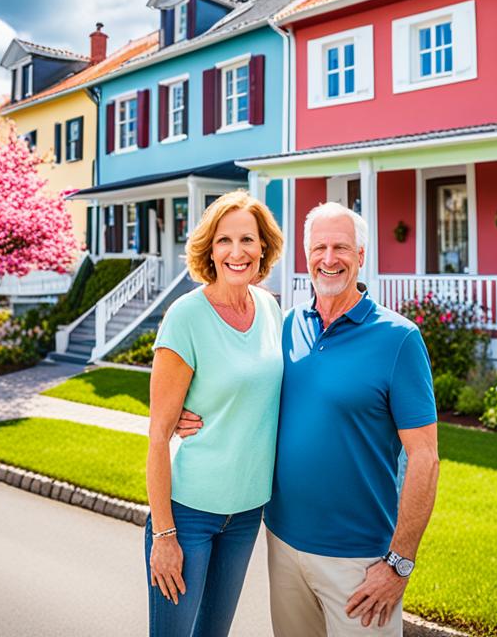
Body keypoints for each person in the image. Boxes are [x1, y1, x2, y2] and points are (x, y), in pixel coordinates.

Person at [180, 201, 439, 636]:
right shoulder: (282, 326)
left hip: (359, 561)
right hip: (282, 545)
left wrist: (399, 564)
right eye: (319, 247)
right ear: (306, 255)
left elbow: (425, 459)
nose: (329, 258)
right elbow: (237, 383)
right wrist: (182, 413)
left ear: (361, 256)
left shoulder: (399, 339)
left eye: (341, 247)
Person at [145, 189, 284, 637]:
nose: (237, 251)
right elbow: (157, 437)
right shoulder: (186, 317)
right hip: (188, 514)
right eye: (225, 240)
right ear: (210, 249)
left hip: (246, 513)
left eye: (247, 239)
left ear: (264, 246)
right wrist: (164, 535)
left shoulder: (270, 308)